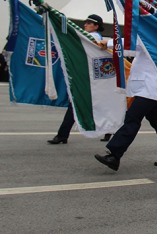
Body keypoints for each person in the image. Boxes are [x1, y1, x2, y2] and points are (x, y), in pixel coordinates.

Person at [94, 40, 157, 171]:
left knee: (132, 119)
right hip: (149, 89)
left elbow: (131, 43)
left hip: (148, 89)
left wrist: (108, 42)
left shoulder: (150, 37)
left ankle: (114, 155)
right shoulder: (156, 38)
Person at [48, 14, 112, 144]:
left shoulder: (92, 37)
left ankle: (62, 135)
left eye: (89, 23)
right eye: (86, 22)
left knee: (79, 104)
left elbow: (74, 36)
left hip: (90, 79)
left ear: (96, 26)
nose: (85, 25)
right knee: (80, 105)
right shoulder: (92, 37)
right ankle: (63, 135)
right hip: (87, 77)